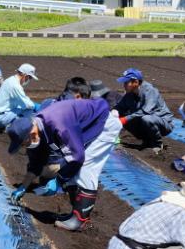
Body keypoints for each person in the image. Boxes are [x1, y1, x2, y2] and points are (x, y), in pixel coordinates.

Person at [7, 97, 122, 231]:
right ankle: (75, 215)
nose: (25, 146)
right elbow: (36, 160)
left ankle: (79, 220)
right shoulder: (38, 129)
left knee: (85, 168)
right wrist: (23, 187)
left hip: (103, 125)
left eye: (23, 143)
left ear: (31, 134)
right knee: (70, 170)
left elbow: (77, 157)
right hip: (87, 128)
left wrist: (58, 180)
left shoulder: (57, 124)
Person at [115, 68, 174, 154]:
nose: (124, 85)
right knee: (121, 116)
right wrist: (112, 113)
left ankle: (157, 144)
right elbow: (119, 107)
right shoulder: (130, 94)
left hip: (163, 123)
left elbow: (145, 112)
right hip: (145, 121)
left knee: (146, 119)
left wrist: (125, 119)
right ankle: (147, 142)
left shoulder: (150, 91)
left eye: (126, 83)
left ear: (135, 82)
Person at [0, 64, 39, 131]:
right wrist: (39, 107)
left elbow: (21, 102)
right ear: (25, 75)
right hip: (0, 118)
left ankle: (10, 124)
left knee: (23, 108)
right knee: (29, 110)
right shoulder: (15, 86)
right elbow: (29, 105)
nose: (29, 80)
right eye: (30, 78)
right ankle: (19, 128)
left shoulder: (10, 80)